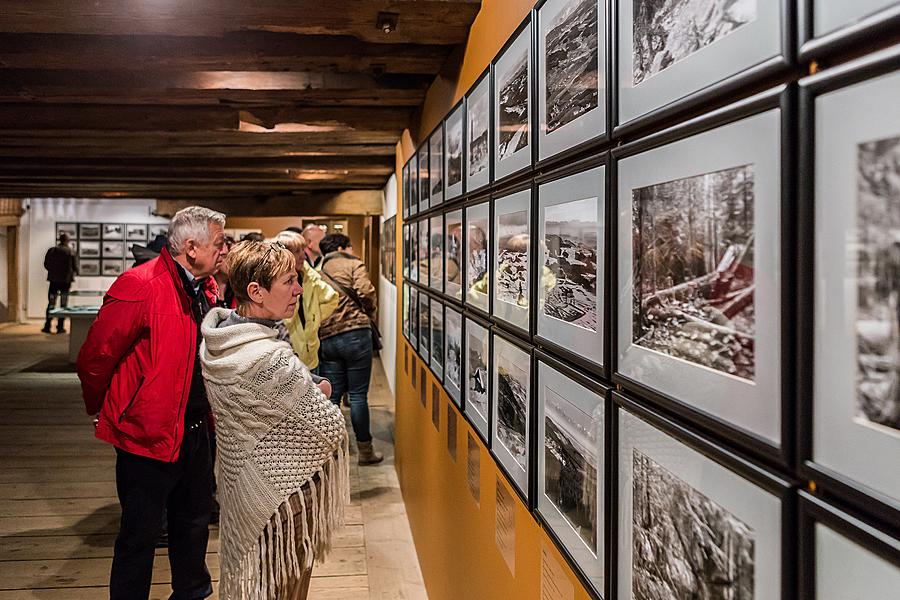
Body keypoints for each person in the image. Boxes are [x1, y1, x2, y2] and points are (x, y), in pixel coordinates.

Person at [76, 206, 228, 600]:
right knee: (140, 534)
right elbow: (95, 357)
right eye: (219, 243)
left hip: (196, 429)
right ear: (191, 247)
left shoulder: (206, 289)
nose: (225, 250)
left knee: (193, 525)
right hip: (147, 435)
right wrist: (107, 410)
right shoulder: (139, 285)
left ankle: (192, 594)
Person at [200, 240, 349, 600]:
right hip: (283, 500)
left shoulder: (220, 342)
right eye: (288, 281)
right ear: (256, 291)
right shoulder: (269, 359)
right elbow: (329, 425)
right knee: (284, 585)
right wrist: (318, 391)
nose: (299, 289)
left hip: (244, 486)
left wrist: (308, 390)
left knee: (264, 585)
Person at [317, 233, 383, 465]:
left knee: (332, 396)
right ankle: (365, 451)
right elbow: (365, 291)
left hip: (328, 335)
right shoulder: (354, 264)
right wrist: (368, 311)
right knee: (357, 395)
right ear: (344, 247)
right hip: (356, 334)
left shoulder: (318, 268)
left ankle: (331, 452)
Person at [274, 230, 339, 372]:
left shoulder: (308, 276)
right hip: (288, 356)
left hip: (311, 356)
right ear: (283, 254)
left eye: (302, 250)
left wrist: (314, 317)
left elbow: (332, 298)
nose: (302, 255)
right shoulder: (274, 282)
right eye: (297, 251)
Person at [42, 232, 78, 333]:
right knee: (63, 304)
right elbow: (75, 267)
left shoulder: (52, 250)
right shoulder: (71, 251)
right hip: (65, 281)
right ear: (67, 240)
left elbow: (46, 264)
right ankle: (60, 327)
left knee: (51, 303)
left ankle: (47, 325)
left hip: (54, 280)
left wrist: (53, 272)